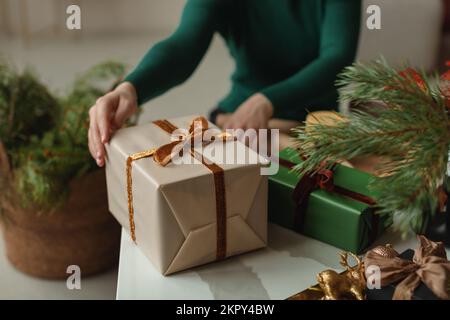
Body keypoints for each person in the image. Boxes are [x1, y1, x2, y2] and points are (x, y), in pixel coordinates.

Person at [88, 0, 361, 167]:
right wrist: (131, 88)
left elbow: (337, 58)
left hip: (318, 129)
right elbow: (184, 46)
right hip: (237, 121)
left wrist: (266, 101)